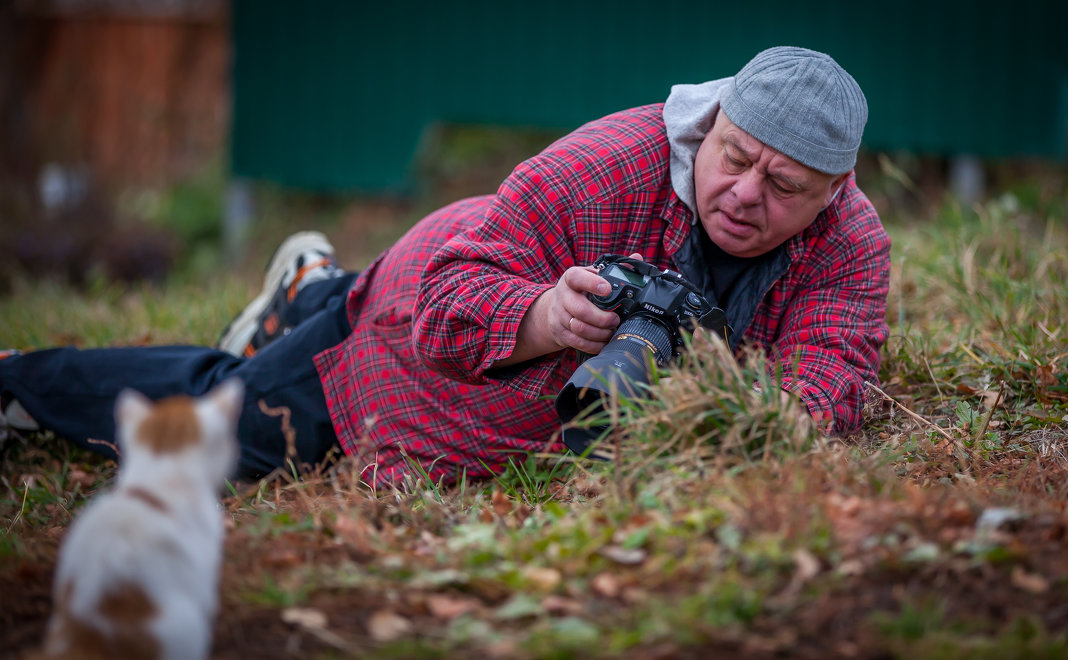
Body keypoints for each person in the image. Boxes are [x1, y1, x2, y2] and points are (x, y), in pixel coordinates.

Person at [0, 46, 890, 487]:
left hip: (467, 311)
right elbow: (455, 291)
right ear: (715, 122)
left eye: (785, 186)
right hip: (419, 307)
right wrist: (546, 320)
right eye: (733, 157)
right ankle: (21, 385)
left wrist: (732, 414)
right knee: (220, 431)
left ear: (834, 192)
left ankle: (308, 290)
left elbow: (833, 378)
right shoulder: (606, 164)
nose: (744, 193)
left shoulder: (849, 244)